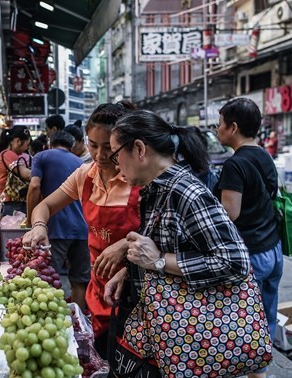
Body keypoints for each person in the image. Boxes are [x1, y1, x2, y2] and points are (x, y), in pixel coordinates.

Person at [104, 110, 251, 377]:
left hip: (184, 337)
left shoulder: (186, 192)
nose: (115, 164)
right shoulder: (156, 190)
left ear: (138, 148)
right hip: (159, 332)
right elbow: (170, 245)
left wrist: (158, 260)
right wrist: (130, 270)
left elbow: (234, 261)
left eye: (115, 154)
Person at [22, 102, 139, 358]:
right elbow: (44, 205)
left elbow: (163, 237)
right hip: (98, 288)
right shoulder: (85, 175)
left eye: (108, 147)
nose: (99, 155)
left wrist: (126, 246)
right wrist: (39, 226)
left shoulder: (140, 178)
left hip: (135, 292)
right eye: (92, 145)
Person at [215, 98, 282, 378]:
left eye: (220, 124)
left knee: (241, 324)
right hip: (273, 249)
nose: (217, 129)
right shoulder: (265, 155)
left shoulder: (236, 164)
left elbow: (230, 212)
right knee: (264, 318)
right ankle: (260, 373)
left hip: (250, 253)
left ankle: (250, 372)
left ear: (233, 127)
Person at [26, 131, 89, 309]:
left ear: (50, 143)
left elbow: (34, 185)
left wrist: (31, 220)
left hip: (55, 227)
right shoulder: (81, 163)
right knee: (79, 281)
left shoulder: (41, 156)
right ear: (72, 146)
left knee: (47, 278)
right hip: (82, 228)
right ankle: (79, 322)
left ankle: (47, 318)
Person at [0, 126, 32, 216]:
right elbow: (26, 174)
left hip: (8, 203)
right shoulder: (8, 154)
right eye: (26, 145)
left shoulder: (6, 153)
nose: (26, 149)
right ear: (18, 141)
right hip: (10, 204)